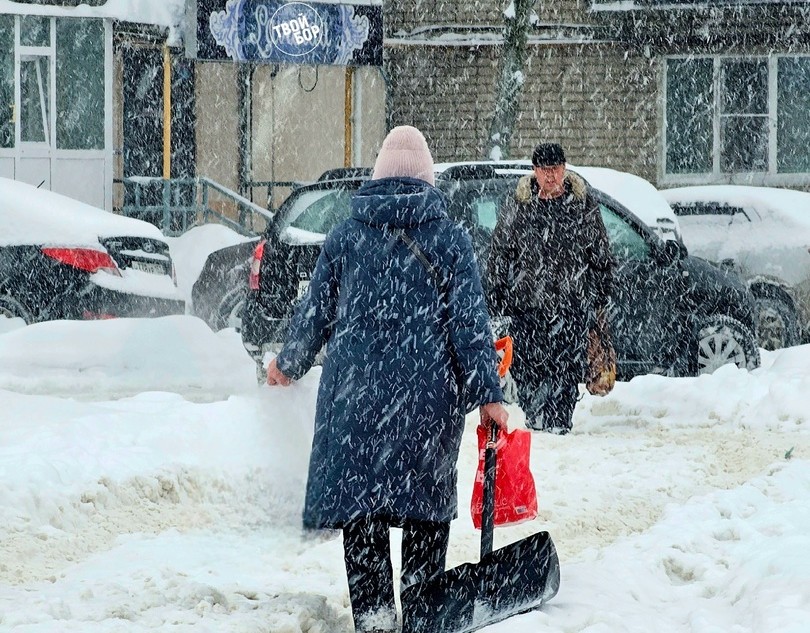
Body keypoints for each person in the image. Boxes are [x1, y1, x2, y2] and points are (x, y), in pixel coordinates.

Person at [265, 125, 509, 633]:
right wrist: (488, 394)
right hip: (426, 403)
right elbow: (469, 325)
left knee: (363, 511)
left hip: (355, 400)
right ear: (427, 178)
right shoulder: (449, 239)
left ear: (377, 175)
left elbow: (315, 312)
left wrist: (287, 363)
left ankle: (374, 619)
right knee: (424, 511)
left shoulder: (346, 235)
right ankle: (421, 612)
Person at [486, 142, 614, 434]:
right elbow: (500, 254)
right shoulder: (519, 206)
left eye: (555, 169)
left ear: (564, 169)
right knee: (530, 374)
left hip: (570, 309)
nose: (550, 176)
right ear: (534, 171)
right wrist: (499, 296)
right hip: (527, 310)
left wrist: (597, 297)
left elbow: (600, 255)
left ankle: (560, 425)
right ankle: (537, 424)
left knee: (566, 375)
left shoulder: (582, 206)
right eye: (544, 170)